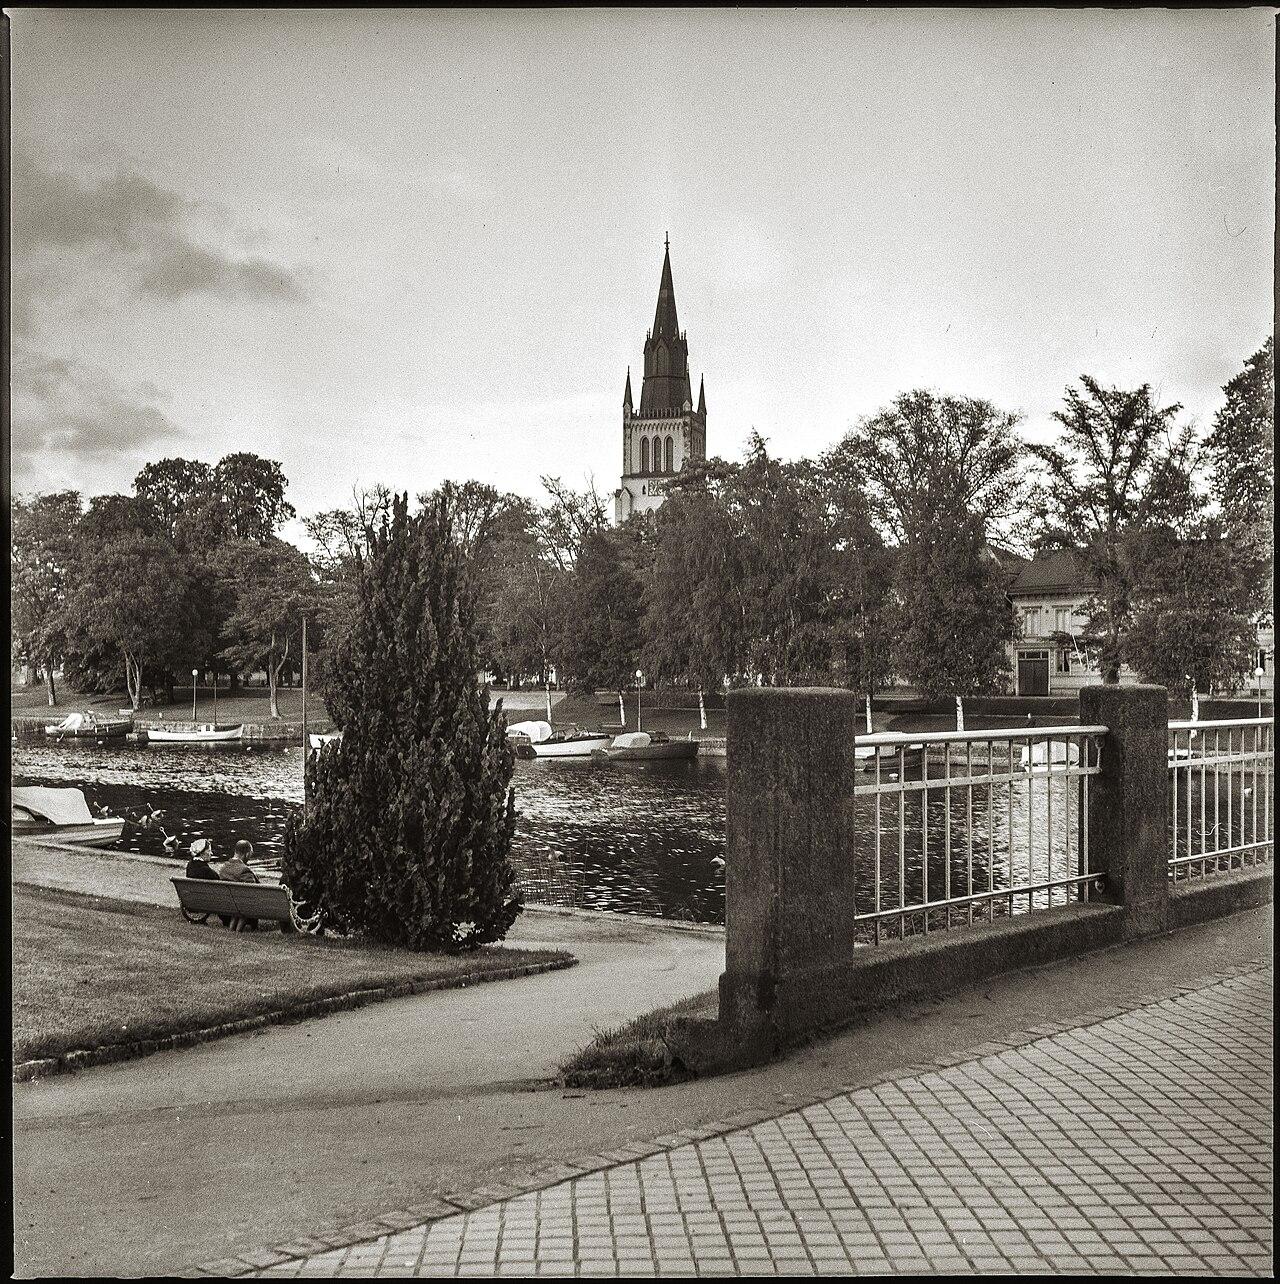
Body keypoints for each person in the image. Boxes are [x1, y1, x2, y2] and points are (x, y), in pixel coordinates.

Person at [186, 838, 232, 926]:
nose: (211, 853)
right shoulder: (206, 871)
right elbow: (220, 886)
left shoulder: (190, 865)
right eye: (209, 851)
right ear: (202, 852)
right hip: (206, 902)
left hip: (193, 901)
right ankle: (228, 920)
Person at [217, 839, 260, 931]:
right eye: (250, 854)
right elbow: (254, 891)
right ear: (247, 854)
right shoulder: (244, 870)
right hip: (243, 907)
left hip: (225, 908)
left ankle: (233, 927)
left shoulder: (223, 868)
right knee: (246, 900)